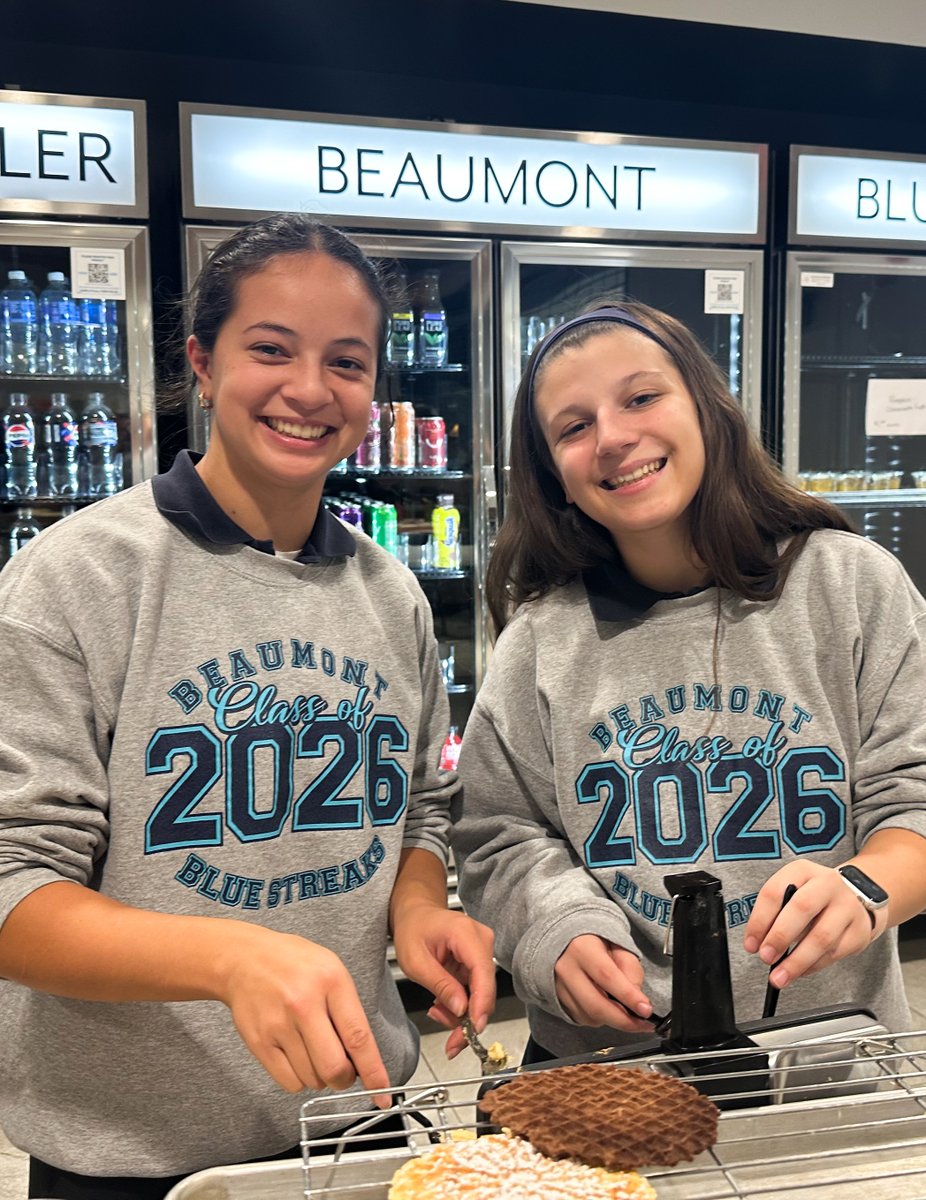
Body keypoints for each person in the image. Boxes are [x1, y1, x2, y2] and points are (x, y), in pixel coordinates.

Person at [0, 212, 494, 1199]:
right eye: (271, 349)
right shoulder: (75, 580)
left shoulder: (389, 594)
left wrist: (417, 909)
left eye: (346, 363)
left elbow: (418, 814)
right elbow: (15, 889)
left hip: (352, 1121)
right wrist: (228, 958)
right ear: (202, 364)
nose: (310, 390)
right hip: (127, 1149)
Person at [451, 299, 926, 1065]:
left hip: (828, 1062)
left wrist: (866, 889)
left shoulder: (849, 586)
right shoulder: (540, 640)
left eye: (641, 398)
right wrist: (557, 927)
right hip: (605, 1070)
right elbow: (497, 834)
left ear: (708, 410)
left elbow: (914, 795)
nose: (612, 437)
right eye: (573, 427)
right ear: (554, 477)